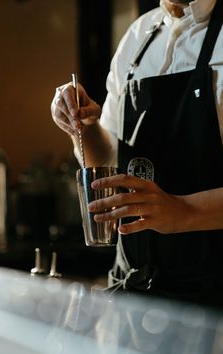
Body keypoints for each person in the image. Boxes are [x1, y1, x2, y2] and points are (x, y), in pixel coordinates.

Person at [51, 0, 223, 305]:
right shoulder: (140, 34)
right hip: (135, 287)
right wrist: (84, 126)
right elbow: (108, 162)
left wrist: (183, 211)